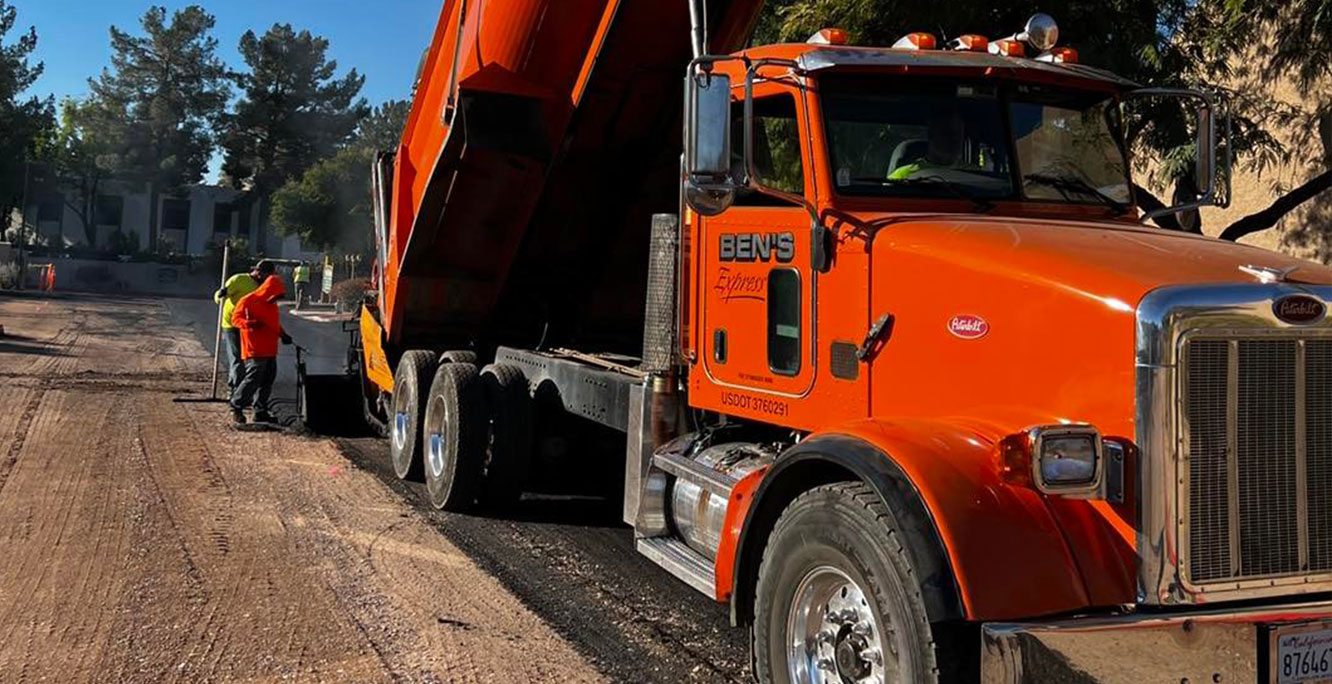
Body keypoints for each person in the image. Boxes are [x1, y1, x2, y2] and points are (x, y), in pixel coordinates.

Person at [229, 273, 292, 424]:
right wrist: (249, 324)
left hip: (270, 349)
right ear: (266, 291)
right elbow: (235, 320)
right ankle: (237, 406)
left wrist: (283, 335)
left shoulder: (272, 305)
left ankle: (260, 411)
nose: (276, 300)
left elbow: (274, 323)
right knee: (253, 379)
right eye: (274, 296)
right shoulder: (248, 301)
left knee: (267, 380)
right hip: (254, 348)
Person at [214, 260, 275, 391]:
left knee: (250, 359)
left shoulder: (264, 286)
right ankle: (235, 390)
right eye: (266, 276)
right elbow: (218, 297)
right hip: (232, 325)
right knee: (237, 358)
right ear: (258, 272)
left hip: (251, 327)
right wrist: (221, 294)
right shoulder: (239, 280)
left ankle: (245, 390)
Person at [889, 112, 966, 180]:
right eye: (946, 134)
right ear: (931, 135)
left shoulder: (975, 173)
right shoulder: (902, 176)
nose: (953, 139)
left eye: (958, 134)